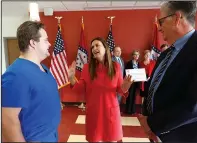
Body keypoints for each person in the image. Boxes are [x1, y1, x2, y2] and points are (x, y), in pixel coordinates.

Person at [140, 1, 197, 142]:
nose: (159, 28)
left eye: (161, 21)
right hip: (158, 135)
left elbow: (193, 105)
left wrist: (152, 124)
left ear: (177, 18)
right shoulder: (166, 54)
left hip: (182, 136)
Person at [2, 21, 61, 142]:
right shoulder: (15, 75)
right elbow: (8, 121)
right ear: (33, 43)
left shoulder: (43, 68)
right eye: (45, 40)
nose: (49, 44)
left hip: (51, 135)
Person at [68, 37, 133, 142]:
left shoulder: (116, 67)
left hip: (111, 112)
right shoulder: (87, 68)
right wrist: (71, 77)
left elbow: (121, 90)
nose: (94, 48)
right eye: (92, 47)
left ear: (105, 48)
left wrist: (127, 85)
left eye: (97, 45)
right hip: (94, 113)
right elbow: (79, 89)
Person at [140, 50, 156, 115]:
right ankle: (142, 110)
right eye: (146, 55)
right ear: (144, 55)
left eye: (148, 55)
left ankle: (148, 110)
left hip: (150, 80)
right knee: (143, 95)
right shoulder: (141, 63)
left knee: (148, 94)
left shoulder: (153, 62)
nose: (147, 56)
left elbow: (155, 71)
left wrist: (149, 77)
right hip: (142, 80)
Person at [124, 50, 140, 114]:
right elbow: (126, 72)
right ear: (132, 55)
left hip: (136, 82)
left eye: (138, 55)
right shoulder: (129, 63)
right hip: (130, 82)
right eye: (135, 54)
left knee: (134, 96)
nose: (136, 56)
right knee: (129, 96)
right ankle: (128, 110)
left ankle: (133, 110)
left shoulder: (138, 63)